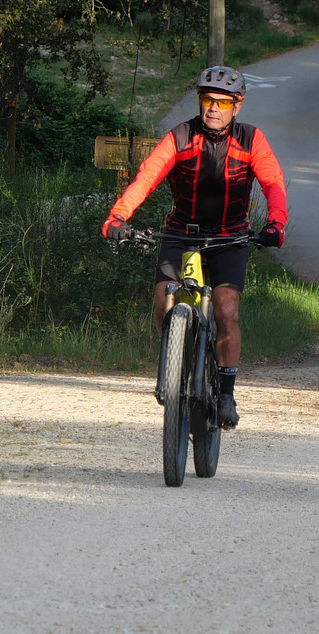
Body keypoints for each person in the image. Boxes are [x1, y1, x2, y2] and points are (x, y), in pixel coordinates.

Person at [102, 65, 289, 429]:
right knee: (164, 300)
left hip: (230, 236)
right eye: (207, 99)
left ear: (238, 105)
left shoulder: (251, 139)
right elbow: (148, 176)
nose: (213, 108)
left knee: (226, 309)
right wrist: (118, 217)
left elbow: (273, 182)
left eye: (223, 102)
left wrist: (276, 224)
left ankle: (226, 393)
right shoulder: (181, 136)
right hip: (182, 234)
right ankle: (175, 364)